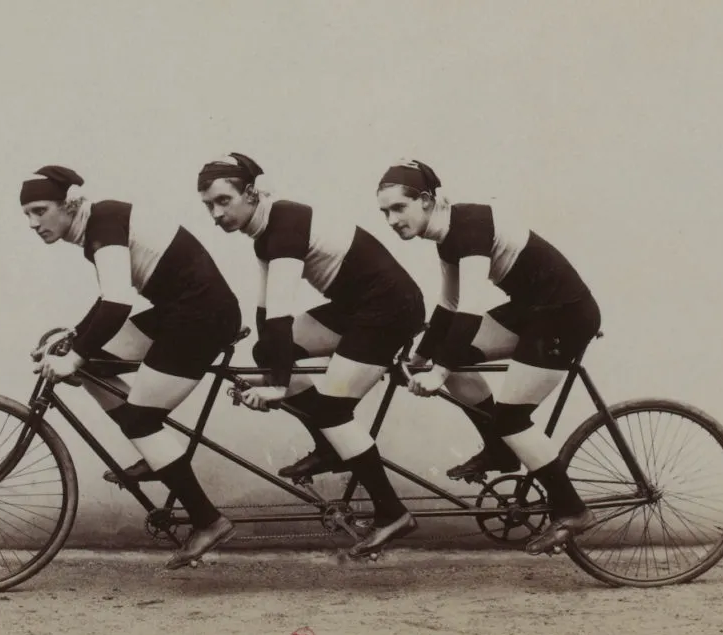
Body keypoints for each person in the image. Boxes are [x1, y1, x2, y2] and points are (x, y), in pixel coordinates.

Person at [196, 153, 426, 559]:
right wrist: (270, 370)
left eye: (222, 201)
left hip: (389, 309)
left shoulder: (284, 228)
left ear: (250, 194)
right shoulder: (265, 232)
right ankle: (329, 446)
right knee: (266, 349)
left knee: (333, 410)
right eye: (208, 206)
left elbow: (282, 313)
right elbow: (267, 315)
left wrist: (278, 387)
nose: (216, 214)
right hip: (355, 307)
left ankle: (391, 512)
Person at [21, 165, 243, 569]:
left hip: (202, 317)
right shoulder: (99, 225)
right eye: (27, 216)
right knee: (96, 365)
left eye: (40, 210)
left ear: (68, 205)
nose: (34, 224)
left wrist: (73, 355)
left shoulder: (104, 223)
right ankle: (158, 454)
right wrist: (73, 337)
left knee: (140, 420)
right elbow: (109, 301)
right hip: (180, 311)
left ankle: (208, 521)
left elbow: (117, 304)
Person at [374, 158, 600, 555]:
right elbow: (448, 304)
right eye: (384, 212)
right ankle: (499, 449)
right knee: (455, 358)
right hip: (532, 310)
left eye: (398, 208)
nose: (391, 220)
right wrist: (421, 357)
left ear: (426, 200)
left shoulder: (470, 227)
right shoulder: (445, 236)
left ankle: (572, 509)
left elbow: (471, 307)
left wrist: (439, 372)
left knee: (513, 417)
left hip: (563, 316)